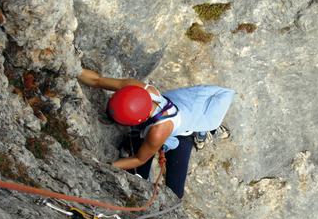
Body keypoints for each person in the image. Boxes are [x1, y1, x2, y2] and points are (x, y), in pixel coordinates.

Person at [77, 68, 234, 198]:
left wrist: (105, 166)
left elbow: (139, 159)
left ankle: (201, 132)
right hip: (177, 108)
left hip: (181, 132)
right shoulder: (138, 88)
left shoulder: (158, 132)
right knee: (138, 169)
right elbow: (97, 80)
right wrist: (75, 69)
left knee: (175, 194)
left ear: (138, 121)